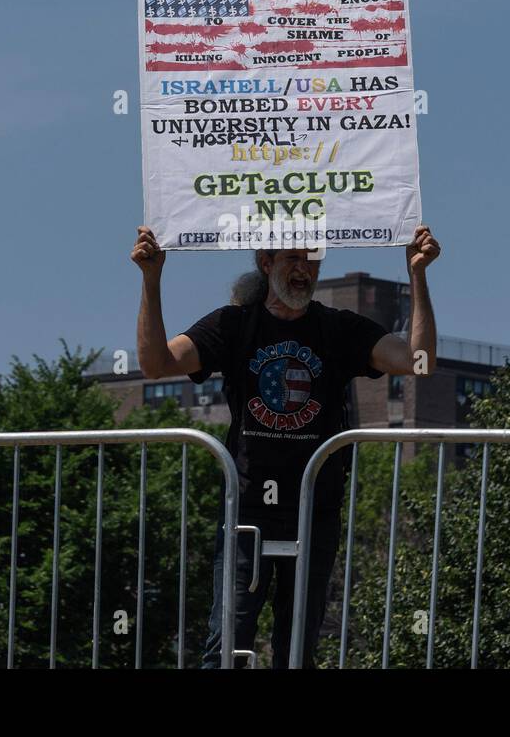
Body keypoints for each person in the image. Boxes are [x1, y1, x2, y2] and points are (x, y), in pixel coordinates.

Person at [130, 225, 440, 668]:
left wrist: (417, 275)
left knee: (297, 651)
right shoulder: (233, 325)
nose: (303, 268)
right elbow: (155, 364)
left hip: (315, 509)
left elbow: (419, 363)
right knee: (226, 644)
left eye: (312, 258)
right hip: (247, 511)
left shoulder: (339, 329)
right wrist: (151, 277)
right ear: (265, 263)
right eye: (292, 257)